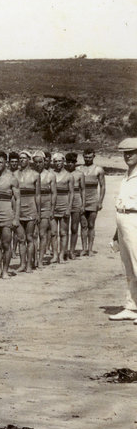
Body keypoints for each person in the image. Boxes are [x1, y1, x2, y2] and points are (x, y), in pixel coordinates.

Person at [109, 138, 137, 322]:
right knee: (128, 267)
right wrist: (116, 233)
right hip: (123, 220)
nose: (128, 156)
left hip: (135, 219)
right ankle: (132, 306)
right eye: (125, 153)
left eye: (132, 152)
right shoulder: (127, 175)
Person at [0, 151, 19, 278]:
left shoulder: (12, 178)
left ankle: (6, 270)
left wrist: (16, 217)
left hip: (7, 214)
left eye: (1, 162)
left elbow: (18, 199)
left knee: (6, 244)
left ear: (5, 163)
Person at [16, 150, 41, 273]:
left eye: (24, 158)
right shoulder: (14, 174)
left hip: (31, 209)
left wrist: (38, 212)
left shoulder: (35, 175)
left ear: (29, 160)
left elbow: (37, 195)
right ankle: (22, 263)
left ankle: (29, 264)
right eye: (20, 158)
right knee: (21, 239)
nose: (22, 160)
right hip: (18, 209)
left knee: (29, 238)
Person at [80, 148, 106, 256]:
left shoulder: (98, 169)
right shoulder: (79, 169)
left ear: (94, 156)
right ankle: (83, 249)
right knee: (83, 225)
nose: (88, 159)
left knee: (91, 225)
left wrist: (100, 201)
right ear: (83, 157)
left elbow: (103, 186)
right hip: (81, 201)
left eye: (90, 157)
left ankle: (90, 249)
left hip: (93, 200)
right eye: (86, 157)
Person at [36, 151, 57, 266]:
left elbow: (54, 193)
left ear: (44, 162)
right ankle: (33, 258)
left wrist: (52, 209)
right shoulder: (32, 174)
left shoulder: (50, 175)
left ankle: (40, 259)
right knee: (33, 234)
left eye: (40, 162)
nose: (38, 164)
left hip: (46, 207)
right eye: (36, 162)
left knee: (42, 233)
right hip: (34, 206)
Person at [65, 152, 84, 260]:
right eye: (68, 162)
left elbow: (83, 190)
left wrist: (83, 204)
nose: (70, 164)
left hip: (76, 201)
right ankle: (65, 251)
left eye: (72, 162)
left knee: (74, 227)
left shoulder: (80, 174)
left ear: (75, 163)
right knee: (65, 228)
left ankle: (72, 251)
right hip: (65, 201)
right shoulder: (63, 173)